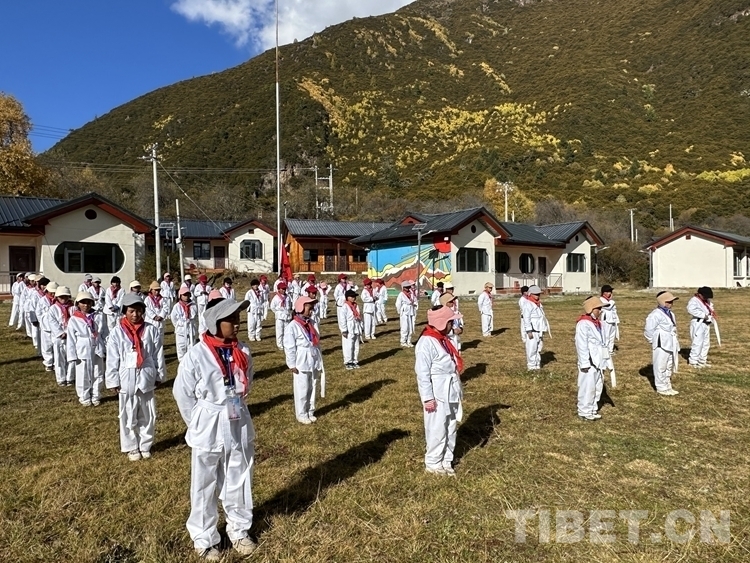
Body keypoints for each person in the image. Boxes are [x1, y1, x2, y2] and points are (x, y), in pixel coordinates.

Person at [173, 298, 257, 560]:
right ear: (214, 323)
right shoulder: (197, 354)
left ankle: (239, 529)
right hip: (209, 419)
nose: (237, 323)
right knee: (205, 481)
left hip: (237, 416)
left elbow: (248, 380)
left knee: (240, 474)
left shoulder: (243, 350)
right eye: (230, 319)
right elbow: (182, 392)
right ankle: (204, 538)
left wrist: (234, 405)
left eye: (238, 317)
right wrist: (198, 421)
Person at [106, 293, 165, 461]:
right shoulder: (117, 332)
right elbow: (112, 358)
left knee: (148, 412)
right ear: (125, 311)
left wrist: (159, 374)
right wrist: (113, 380)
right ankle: (131, 446)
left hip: (146, 374)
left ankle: (145, 444)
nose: (135, 314)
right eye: (131, 311)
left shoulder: (151, 330)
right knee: (127, 413)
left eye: (139, 311)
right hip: (126, 376)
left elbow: (157, 354)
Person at [415, 304, 464, 476]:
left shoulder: (442, 339)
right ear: (442, 323)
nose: (453, 325)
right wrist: (428, 398)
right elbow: (422, 374)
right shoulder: (426, 342)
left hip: (450, 389)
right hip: (437, 392)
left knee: (450, 425)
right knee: (437, 427)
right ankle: (433, 463)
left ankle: (446, 459)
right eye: (451, 322)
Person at [284, 295, 324, 424]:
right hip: (301, 359)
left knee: (313, 385)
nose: (311, 311)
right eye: (309, 308)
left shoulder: (311, 323)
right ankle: (301, 413)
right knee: (302, 387)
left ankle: (310, 410)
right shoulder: (293, 326)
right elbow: (289, 346)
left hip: (313, 356)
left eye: (312, 308)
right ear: (300, 308)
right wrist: (291, 364)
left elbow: (316, 339)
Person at [68, 292, 106, 406]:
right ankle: (84, 397)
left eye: (88, 302)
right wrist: (72, 355)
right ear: (78, 304)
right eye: (83, 302)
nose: (86, 305)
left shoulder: (98, 316)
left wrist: (106, 348)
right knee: (83, 373)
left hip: (97, 345)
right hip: (83, 347)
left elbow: (105, 332)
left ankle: (96, 395)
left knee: (98, 372)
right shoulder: (74, 319)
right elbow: (71, 339)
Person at [576, 297, 607, 421]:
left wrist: (606, 359)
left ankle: (593, 408)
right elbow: (581, 344)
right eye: (598, 308)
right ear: (591, 309)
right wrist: (584, 363)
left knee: (597, 386)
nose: (600, 311)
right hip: (589, 361)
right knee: (587, 386)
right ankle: (584, 410)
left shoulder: (598, 323)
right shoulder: (583, 324)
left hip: (598, 360)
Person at [644, 291, 680, 396]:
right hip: (661, 343)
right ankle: (661, 387)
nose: (671, 304)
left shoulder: (671, 313)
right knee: (660, 365)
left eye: (672, 301)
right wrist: (653, 341)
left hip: (670, 342)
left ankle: (667, 385)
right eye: (669, 301)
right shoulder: (655, 314)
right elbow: (648, 330)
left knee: (669, 364)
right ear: (663, 302)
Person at [48, 285, 74, 386]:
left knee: (71, 357)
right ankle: (61, 378)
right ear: (57, 297)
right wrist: (60, 333)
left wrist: (67, 332)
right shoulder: (53, 309)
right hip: (58, 337)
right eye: (61, 297)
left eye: (66, 296)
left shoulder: (73, 308)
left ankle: (70, 377)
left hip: (70, 336)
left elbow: (74, 321)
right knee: (59, 358)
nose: (64, 299)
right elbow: (52, 322)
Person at [520, 285, 550, 370]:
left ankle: (537, 365)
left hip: (539, 330)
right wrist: (529, 331)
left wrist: (543, 328)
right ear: (530, 294)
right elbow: (526, 319)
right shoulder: (527, 304)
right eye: (535, 294)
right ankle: (531, 366)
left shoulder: (538, 304)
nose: (537, 296)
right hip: (532, 330)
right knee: (531, 349)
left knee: (538, 348)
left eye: (538, 294)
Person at [687, 286, 716, 368]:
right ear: (700, 294)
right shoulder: (694, 300)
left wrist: (711, 315)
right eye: (705, 296)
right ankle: (693, 361)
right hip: (698, 322)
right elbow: (691, 310)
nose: (706, 298)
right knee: (697, 342)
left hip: (706, 323)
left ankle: (702, 360)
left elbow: (710, 307)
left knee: (706, 343)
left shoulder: (706, 301)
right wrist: (704, 315)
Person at [171, 286, 198, 361]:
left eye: (188, 295)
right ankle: (182, 363)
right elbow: (174, 318)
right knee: (181, 348)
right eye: (184, 295)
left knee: (192, 347)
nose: (186, 297)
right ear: (180, 296)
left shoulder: (193, 305)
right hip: (181, 332)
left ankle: (191, 363)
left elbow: (195, 317)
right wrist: (179, 325)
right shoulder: (177, 306)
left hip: (191, 331)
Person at [37, 280, 58, 372]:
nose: (53, 294)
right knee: (47, 346)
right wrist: (43, 322)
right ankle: (48, 363)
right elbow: (38, 313)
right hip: (46, 327)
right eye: (51, 292)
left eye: (55, 293)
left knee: (56, 346)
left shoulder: (58, 301)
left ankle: (56, 363)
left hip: (56, 328)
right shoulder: (42, 301)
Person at [340, 289, 363, 369]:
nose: (354, 298)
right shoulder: (345, 307)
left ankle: (354, 360)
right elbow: (342, 319)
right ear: (347, 297)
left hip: (356, 327)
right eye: (352, 296)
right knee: (348, 345)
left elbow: (360, 317)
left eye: (354, 296)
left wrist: (361, 327)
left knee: (356, 345)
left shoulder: (356, 306)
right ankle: (348, 361)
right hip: (349, 328)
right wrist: (344, 330)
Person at [270, 282, 292, 350]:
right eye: (282, 289)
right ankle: (280, 344)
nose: (283, 290)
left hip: (286, 316)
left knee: (287, 331)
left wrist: (288, 312)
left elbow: (289, 305)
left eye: (284, 289)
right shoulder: (276, 297)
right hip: (280, 316)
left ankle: (285, 343)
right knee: (279, 331)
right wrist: (277, 312)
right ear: (279, 289)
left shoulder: (287, 297)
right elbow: (272, 307)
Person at [396, 280, 417, 347]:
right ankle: (403, 341)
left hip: (411, 311)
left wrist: (414, 305)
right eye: (406, 287)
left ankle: (409, 341)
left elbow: (415, 300)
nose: (408, 288)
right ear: (403, 287)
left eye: (408, 287)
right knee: (405, 327)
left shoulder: (411, 293)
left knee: (411, 327)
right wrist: (400, 312)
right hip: (404, 312)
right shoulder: (401, 294)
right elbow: (398, 304)